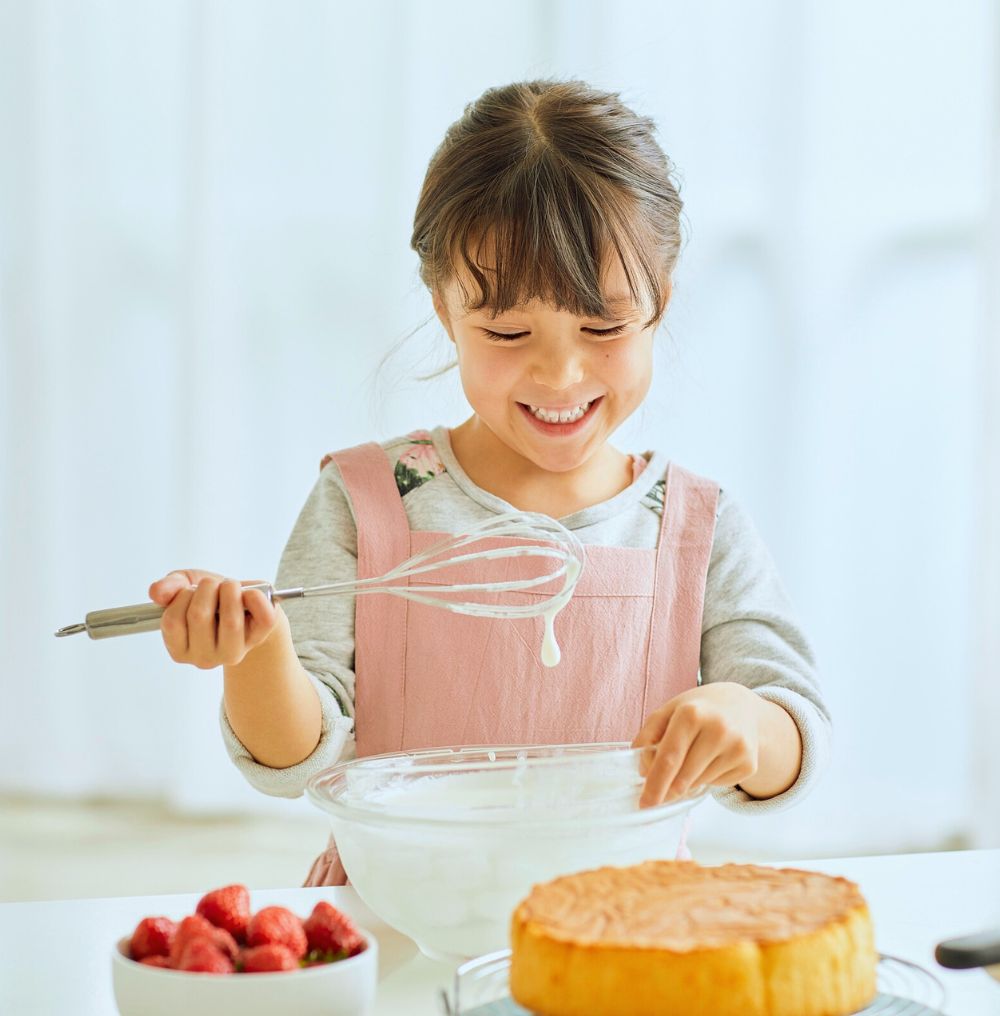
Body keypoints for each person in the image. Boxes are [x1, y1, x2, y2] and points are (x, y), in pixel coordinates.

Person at [149, 79, 831, 886]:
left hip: (619, 920)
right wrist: (258, 654)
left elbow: (792, 730)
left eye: (603, 326)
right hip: (399, 913)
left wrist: (747, 721)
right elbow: (296, 756)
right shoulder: (366, 502)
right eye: (507, 330)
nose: (560, 371)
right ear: (445, 309)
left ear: (661, 303)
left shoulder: (694, 526)